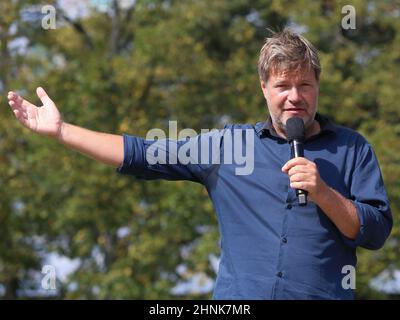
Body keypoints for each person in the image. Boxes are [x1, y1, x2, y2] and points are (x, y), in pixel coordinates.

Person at [7, 29, 392, 300]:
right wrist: (62, 132)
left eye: (304, 85)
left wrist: (324, 193)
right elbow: (143, 154)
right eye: (283, 86)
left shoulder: (353, 149)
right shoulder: (229, 146)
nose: (295, 97)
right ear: (264, 88)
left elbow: (374, 232)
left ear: (318, 85)